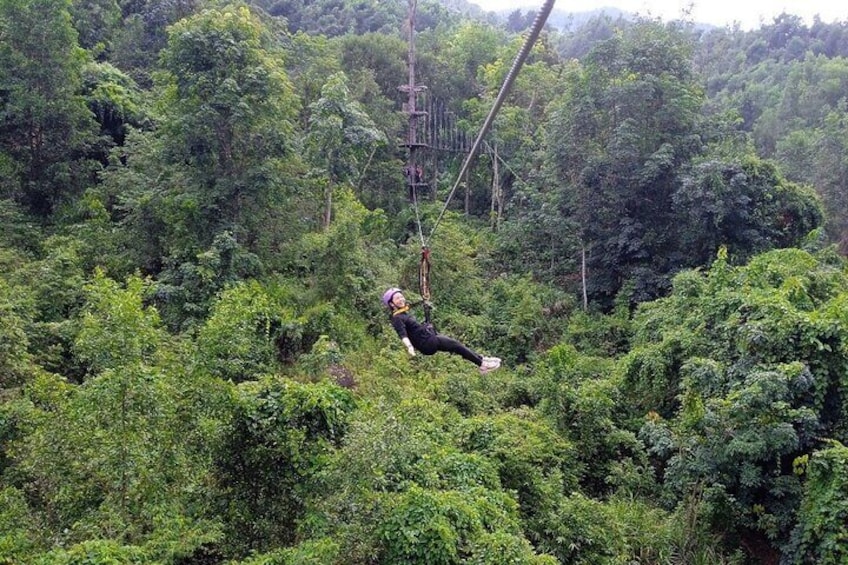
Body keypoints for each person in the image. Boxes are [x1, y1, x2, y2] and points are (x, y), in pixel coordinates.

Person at [382, 287, 501, 374]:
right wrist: (409, 348)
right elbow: (402, 335)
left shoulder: (403, 313)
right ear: (392, 304)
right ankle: (482, 364)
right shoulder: (397, 318)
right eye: (397, 298)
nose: (401, 299)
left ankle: (481, 360)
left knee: (456, 345)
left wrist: (425, 322)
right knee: (456, 345)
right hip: (427, 343)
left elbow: (414, 329)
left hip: (428, 338)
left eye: (401, 296)